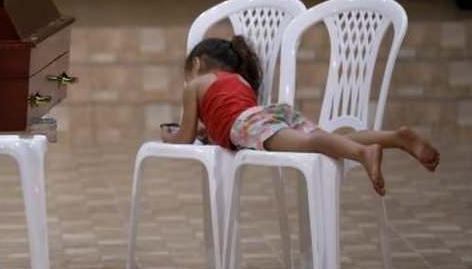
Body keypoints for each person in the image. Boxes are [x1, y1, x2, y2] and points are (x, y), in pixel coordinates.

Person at [161, 35, 440, 196]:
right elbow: (232, 118)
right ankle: (396, 137)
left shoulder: (195, 85)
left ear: (197, 64)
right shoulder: (239, 81)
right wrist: (208, 132)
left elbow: (186, 139)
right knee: (322, 138)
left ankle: (362, 153)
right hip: (268, 113)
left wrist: (169, 137)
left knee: (311, 144)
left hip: (247, 124)